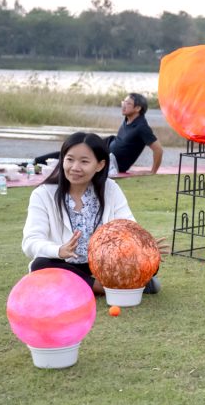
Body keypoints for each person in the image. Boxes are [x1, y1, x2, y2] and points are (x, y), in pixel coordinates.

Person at [22, 131, 161, 295]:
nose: (75, 167)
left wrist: (144, 246)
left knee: (151, 263)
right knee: (40, 265)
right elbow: (31, 241)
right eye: (69, 159)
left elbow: (128, 226)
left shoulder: (110, 189)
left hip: (105, 264)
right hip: (64, 264)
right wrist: (59, 250)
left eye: (84, 161)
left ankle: (92, 285)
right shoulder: (43, 194)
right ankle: (107, 288)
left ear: (100, 165)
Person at [34, 93, 163, 176]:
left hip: (112, 163)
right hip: (107, 147)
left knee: (75, 155)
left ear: (138, 108)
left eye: (128, 103)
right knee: (74, 148)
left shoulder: (142, 127)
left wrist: (152, 171)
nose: (123, 105)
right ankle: (34, 162)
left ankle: (34, 163)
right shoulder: (128, 119)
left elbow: (158, 149)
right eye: (123, 102)